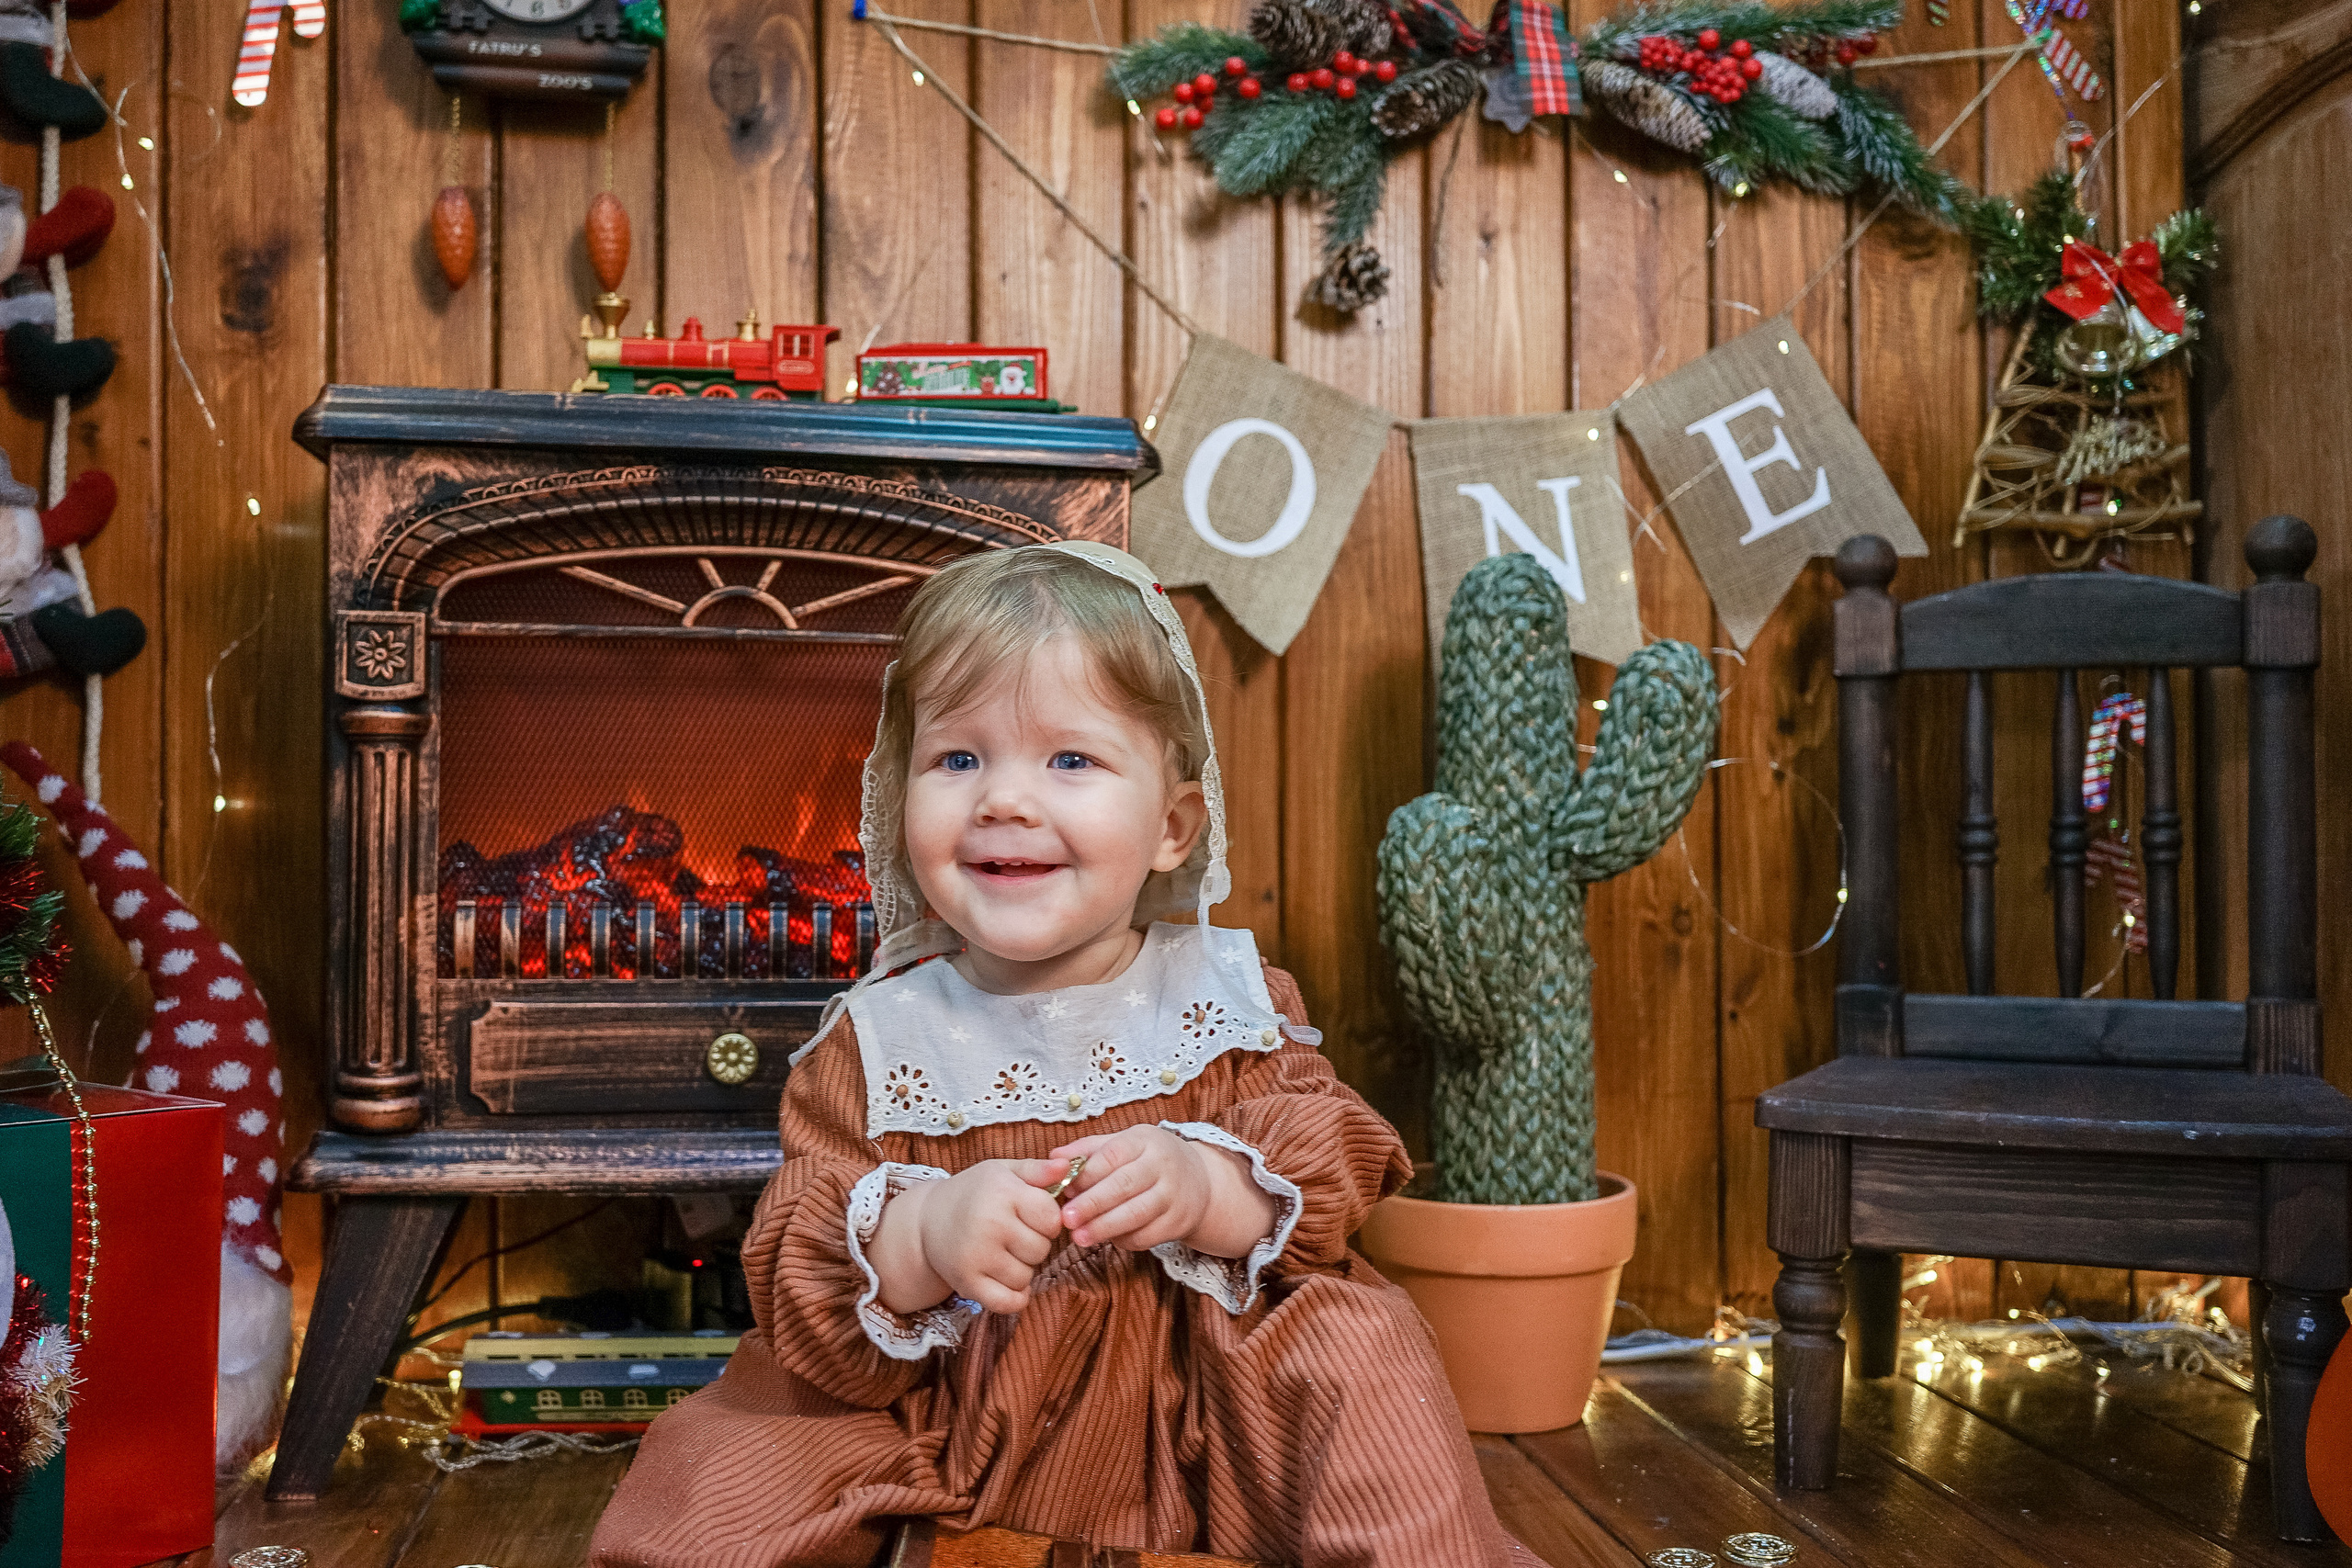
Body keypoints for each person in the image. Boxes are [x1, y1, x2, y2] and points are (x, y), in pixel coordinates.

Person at [590, 542, 1537, 1568]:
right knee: (725, 1463)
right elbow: (802, 1266)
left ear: (1173, 826)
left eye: (1069, 760)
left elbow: (1332, 1156)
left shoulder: (1222, 1000)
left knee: (1361, 1344)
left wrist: (1210, 1186)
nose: (1003, 799)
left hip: (1215, 1421)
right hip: (949, 1424)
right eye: (957, 759)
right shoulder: (881, 1041)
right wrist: (924, 1236)